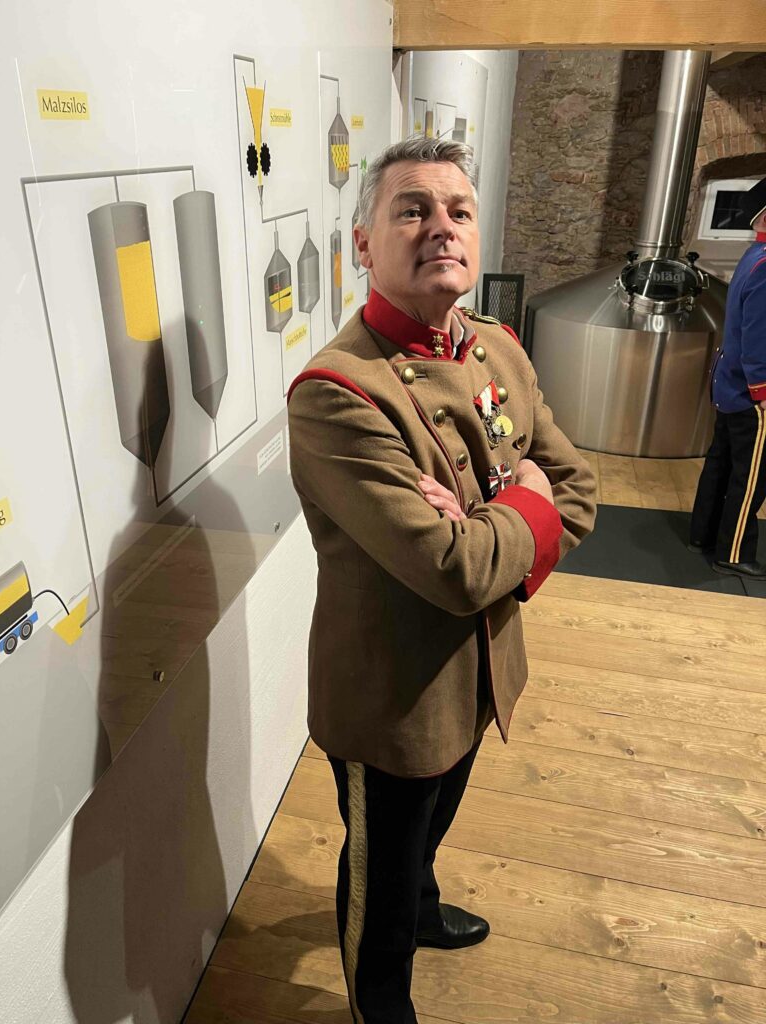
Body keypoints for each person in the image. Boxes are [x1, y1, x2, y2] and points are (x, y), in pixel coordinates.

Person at [287, 136, 596, 1024]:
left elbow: (578, 487)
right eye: (412, 210)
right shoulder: (337, 392)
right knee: (378, 882)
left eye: (458, 211)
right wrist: (522, 498)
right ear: (363, 244)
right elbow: (457, 571)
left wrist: (489, 518)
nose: (441, 227)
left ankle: (421, 909)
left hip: (482, 667)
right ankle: (379, 1001)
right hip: (391, 698)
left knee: (432, 830)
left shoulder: (496, 347)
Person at [690, 176, 766, 580]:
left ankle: (702, 534)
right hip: (751, 391)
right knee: (750, 476)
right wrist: (762, 391)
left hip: (730, 382)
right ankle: (734, 552)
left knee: (721, 463)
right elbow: (758, 337)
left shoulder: (754, 255)